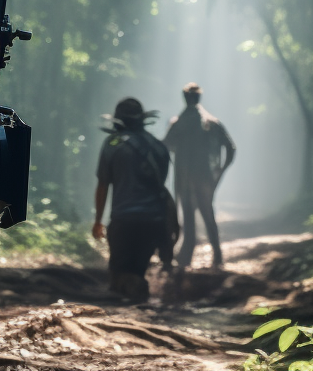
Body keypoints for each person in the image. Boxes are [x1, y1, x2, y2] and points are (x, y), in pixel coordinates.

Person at [93, 98, 177, 301]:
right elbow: (162, 183)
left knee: (119, 271)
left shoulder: (112, 144)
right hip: (153, 221)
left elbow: (103, 184)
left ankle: (123, 315)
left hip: (123, 219)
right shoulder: (157, 146)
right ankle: (140, 304)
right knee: (138, 270)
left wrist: (98, 221)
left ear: (117, 120)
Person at [164, 83, 236, 270]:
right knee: (206, 212)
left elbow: (165, 146)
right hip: (205, 177)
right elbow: (230, 148)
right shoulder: (212, 122)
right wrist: (220, 170)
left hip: (185, 177)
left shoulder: (178, 123)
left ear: (185, 98)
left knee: (190, 215)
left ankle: (188, 257)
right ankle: (214, 255)